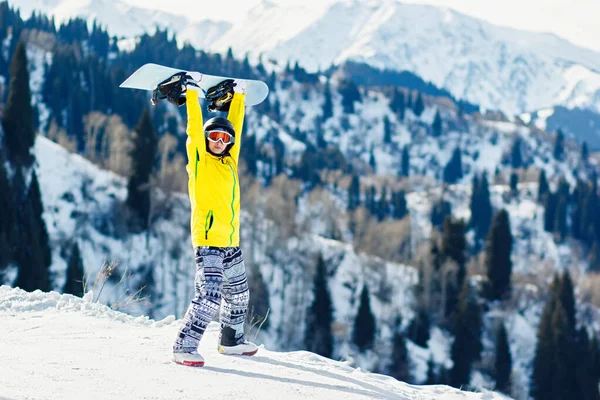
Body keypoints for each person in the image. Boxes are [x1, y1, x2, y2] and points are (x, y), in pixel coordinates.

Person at [172, 74, 257, 367]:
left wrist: (239, 98)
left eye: (224, 138)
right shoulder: (199, 160)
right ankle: (184, 346)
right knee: (209, 295)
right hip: (208, 241)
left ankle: (231, 341)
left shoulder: (229, 162)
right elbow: (193, 130)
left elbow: (239, 128)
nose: (219, 141)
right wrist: (193, 96)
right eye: (214, 137)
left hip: (230, 241)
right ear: (207, 140)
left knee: (239, 295)